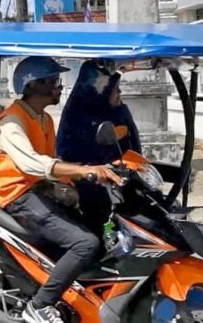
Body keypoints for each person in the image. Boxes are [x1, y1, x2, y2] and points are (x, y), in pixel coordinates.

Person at [0, 56, 122, 323]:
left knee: (98, 224)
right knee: (86, 244)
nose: (60, 87)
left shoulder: (43, 118)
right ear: (36, 85)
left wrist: (80, 181)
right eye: (55, 82)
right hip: (18, 195)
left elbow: (53, 160)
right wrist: (83, 171)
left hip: (40, 188)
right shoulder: (11, 123)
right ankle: (39, 306)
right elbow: (33, 163)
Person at [57, 60, 142, 228]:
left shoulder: (110, 111)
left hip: (112, 178)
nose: (119, 91)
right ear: (100, 89)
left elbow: (131, 141)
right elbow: (92, 146)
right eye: (113, 87)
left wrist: (121, 109)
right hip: (86, 181)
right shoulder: (81, 115)